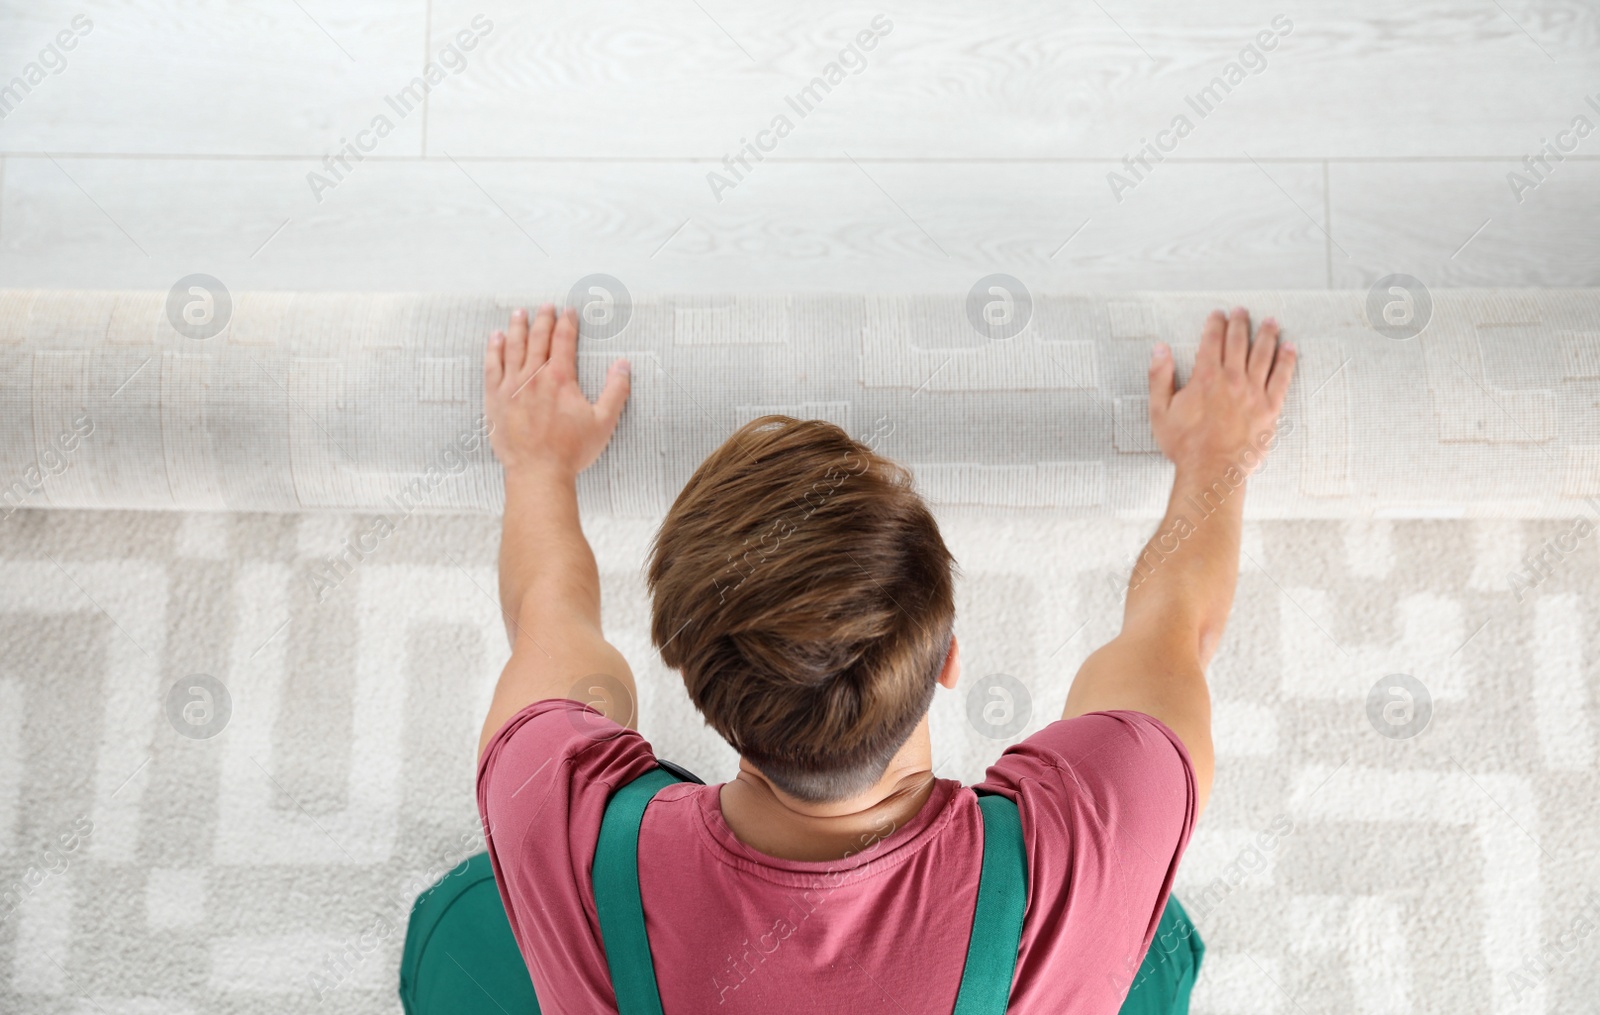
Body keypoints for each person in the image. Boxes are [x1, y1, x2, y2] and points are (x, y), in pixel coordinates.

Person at [399, 304, 1296, 1014]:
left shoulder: (550, 805)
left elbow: (549, 610)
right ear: (950, 657)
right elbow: (1175, 626)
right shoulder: (1104, 822)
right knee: (1149, 931)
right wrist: (1217, 454)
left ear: (689, 676)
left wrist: (536, 464)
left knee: (471, 924)